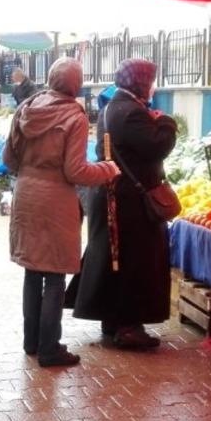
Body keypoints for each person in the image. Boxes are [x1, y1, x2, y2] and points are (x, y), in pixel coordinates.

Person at [3, 58, 120, 367]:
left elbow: (8, 157)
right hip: (55, 202)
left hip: (26, 195)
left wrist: (30, 173)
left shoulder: (27, 107)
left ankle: (32, 342)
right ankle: (49, 348)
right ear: (76, 85)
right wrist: (107, 169)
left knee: (32, 271)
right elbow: (75, 170)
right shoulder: (74, 116)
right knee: (54, 276)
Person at [70, 58, 177, 349]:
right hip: (131, 201)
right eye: (151, 80)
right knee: (134, 261)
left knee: (116, 260)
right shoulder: (131, 112)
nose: (153, 86)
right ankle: (129, 325)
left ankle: (114, 320)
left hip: (114, 195)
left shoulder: (110, 108)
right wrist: (167, 121)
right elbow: (158, 145)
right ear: (140, 82)